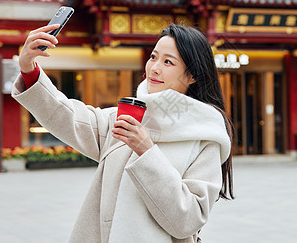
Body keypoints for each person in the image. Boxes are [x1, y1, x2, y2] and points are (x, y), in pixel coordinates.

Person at [12, 23, 234, 243]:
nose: (154, 68)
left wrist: (147, 151)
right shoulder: (126, 116)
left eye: (168, 62)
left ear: (192, 75)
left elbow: (188, 219)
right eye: (153, 57)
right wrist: (28, 68)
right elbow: (67, 116)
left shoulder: (206, 136)